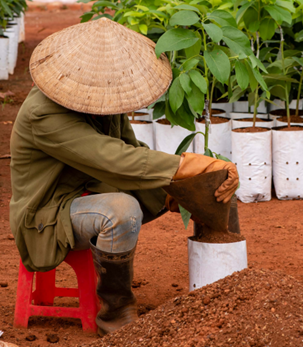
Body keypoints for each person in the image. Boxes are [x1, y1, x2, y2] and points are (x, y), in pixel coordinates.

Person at [10, 18, 239, 335]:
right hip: (49, 214)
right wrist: (186, 165)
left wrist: (186, 183)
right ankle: (115, 310)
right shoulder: (43, 114)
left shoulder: (102, 98)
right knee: (122, 211)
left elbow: (131, 147)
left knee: (210, 185)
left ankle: (228, 287)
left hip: (91, 190)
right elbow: (114, 159)